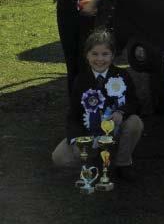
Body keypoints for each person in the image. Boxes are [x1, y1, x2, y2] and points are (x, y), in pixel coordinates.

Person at [52, 30, 143, 181]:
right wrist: (76, 140)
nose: (99, 59)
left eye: (105, 54)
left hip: (115, 130)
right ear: (87, 55)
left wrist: (121, 112)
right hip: (90, 134)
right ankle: (94, 160)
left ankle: (123, 163)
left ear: (113, 55)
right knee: (59, 157)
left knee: (135, 123)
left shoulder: (122, 76)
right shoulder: (80, 80)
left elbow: (135, 103)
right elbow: (73, 115)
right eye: (94, 54)